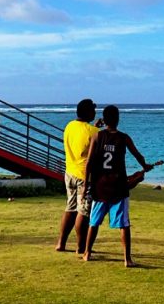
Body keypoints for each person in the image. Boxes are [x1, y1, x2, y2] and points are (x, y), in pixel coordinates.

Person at [82, 105, 154, 267]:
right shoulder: (124, 138)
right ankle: (127, 259)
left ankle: (87, 253)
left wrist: (86, 185)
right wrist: (146, 165)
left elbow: (89, 163)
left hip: (100, 187)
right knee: (124, 224)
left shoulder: (97, 137)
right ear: (118, 119)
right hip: (119, 188)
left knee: (94, 222)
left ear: (104, 120)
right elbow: (137, 155)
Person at [55, 98, 101, 254]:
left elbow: (81, 142)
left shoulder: (70, 126)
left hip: (70, 172)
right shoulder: (94, 132)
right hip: (84, 176)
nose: (95, 113)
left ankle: (61, 243)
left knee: (70, 207)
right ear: (88, 112)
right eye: (93, 110)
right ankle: (81, 246)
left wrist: (93, 127)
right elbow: (95, 147)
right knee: (83, 211)